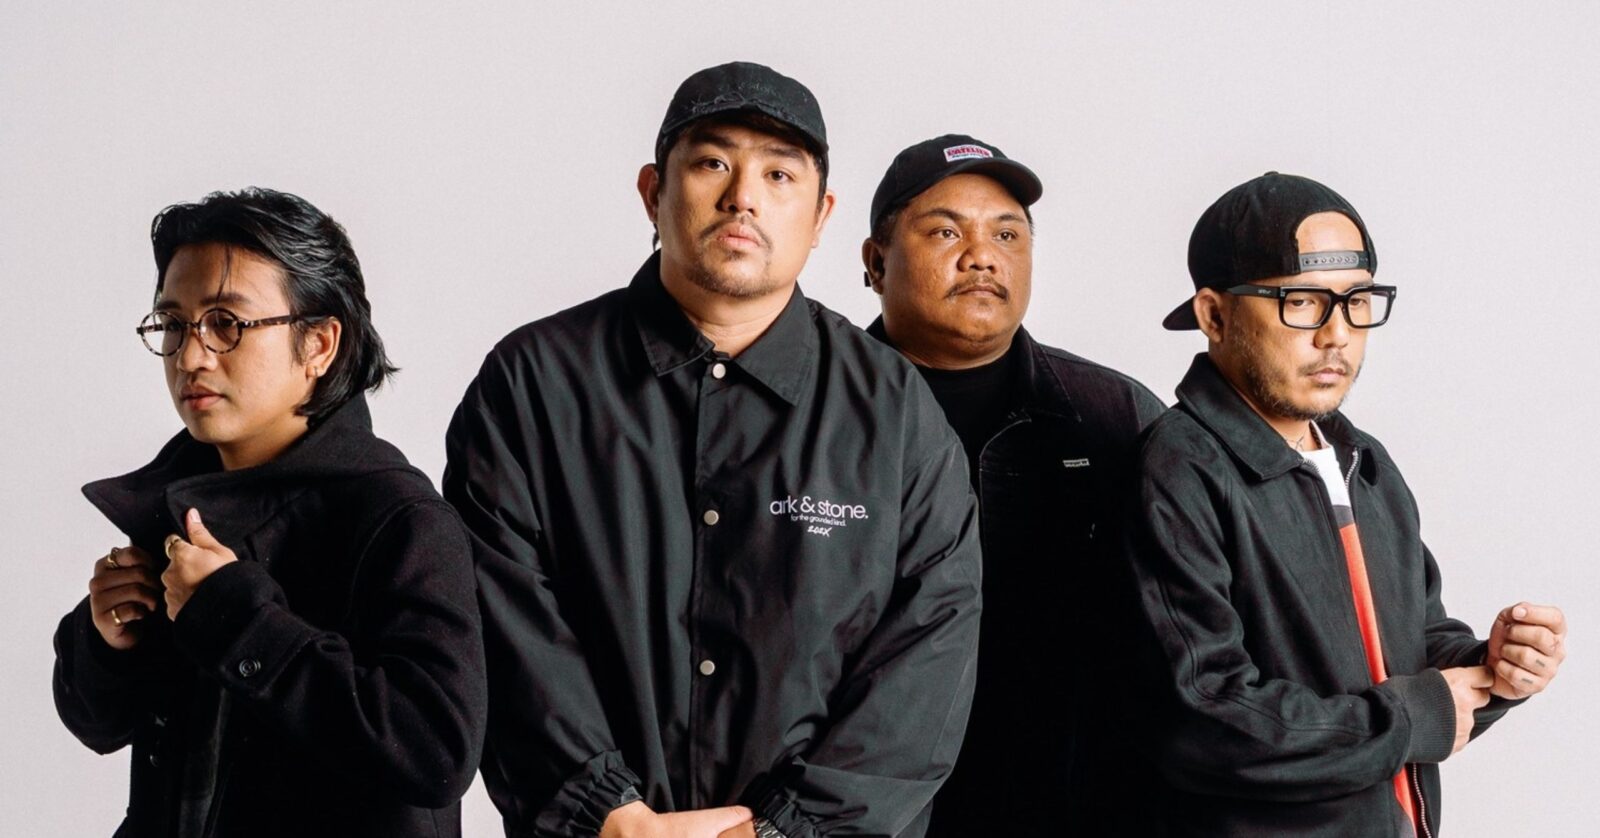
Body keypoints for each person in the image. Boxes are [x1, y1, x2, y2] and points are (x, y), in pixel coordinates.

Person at [443, 62, 983, 838]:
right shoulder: (534, 383)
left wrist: (790, 831)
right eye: (711, 164)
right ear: (652, 191)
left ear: (822, 215)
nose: (743, 198)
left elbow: (929, 654)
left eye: (778, 174)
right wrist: (607, 813)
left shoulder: (895, 411)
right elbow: (501, 619)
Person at [1124, 172, 1567, 836]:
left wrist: (1495, 667)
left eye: (1357, 300)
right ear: (1214, 316)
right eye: (1301, 301)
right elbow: (1207, 718)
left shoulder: (1361, 460)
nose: (1337, 333)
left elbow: (1412, 647)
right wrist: (1412, 717)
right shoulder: (1179, 470)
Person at [52, 188, 487, 837]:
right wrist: (106, 640)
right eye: (173, 324)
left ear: (319, 344)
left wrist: (237, 620)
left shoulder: (399, 518)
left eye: (226, 322)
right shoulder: (181, 504)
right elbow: (99, 725)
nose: (190, 356)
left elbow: (435, 753)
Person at [860, 134, 1165, 834]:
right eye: (945, 232)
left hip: (1073, 808)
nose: (982, 256)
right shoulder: (811, 416)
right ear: (876, 262)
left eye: (1007, 234)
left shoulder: (1113, 415)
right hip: (863, 811)